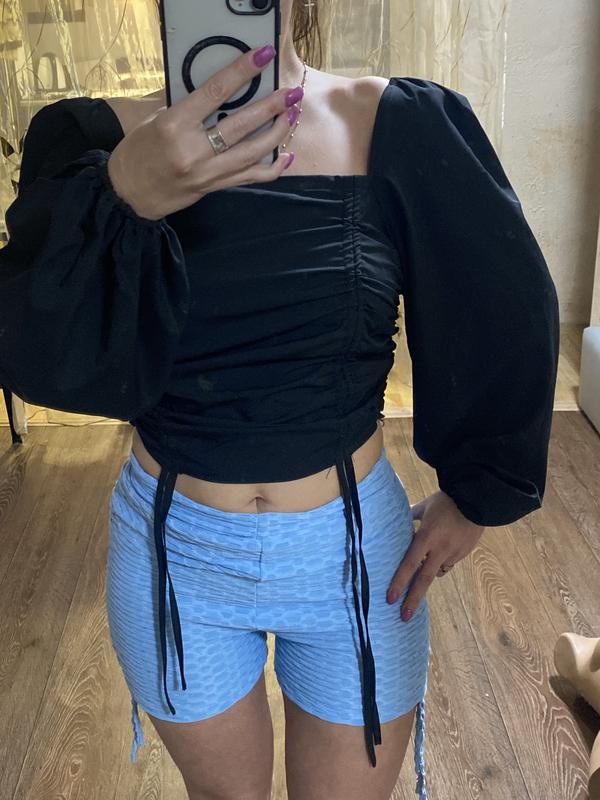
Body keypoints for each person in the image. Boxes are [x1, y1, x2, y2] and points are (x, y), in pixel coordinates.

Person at [0, 0, 560, 798]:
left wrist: (478, 495)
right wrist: (123, 194)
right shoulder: (88, 142)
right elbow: (41, 353)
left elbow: (503, 305)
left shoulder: (400, 125)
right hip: (173, 555)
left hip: (356, 557)